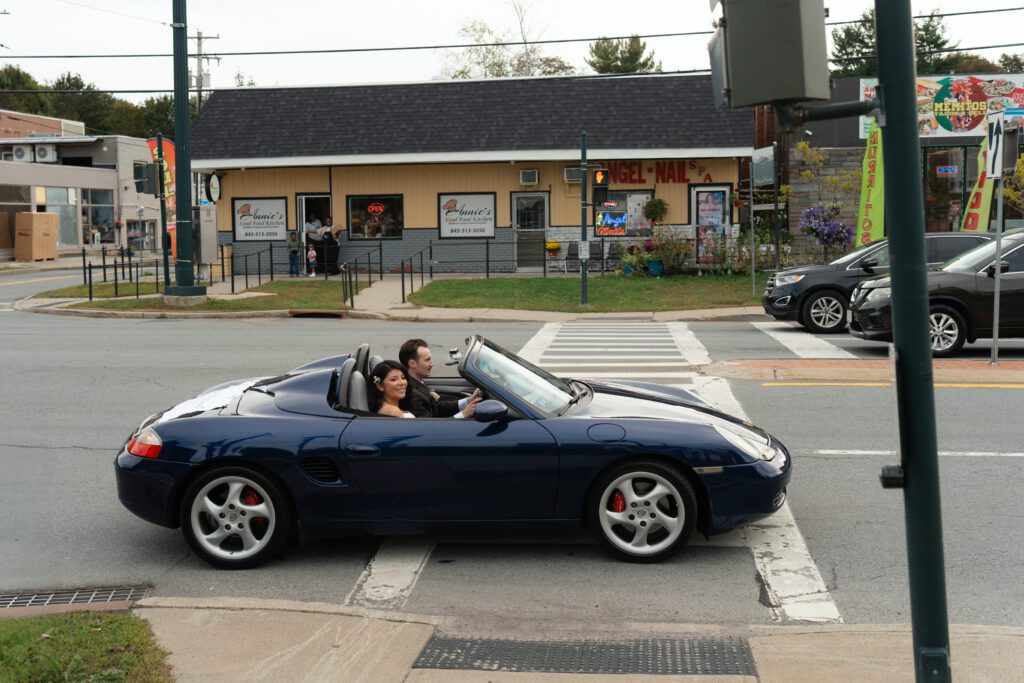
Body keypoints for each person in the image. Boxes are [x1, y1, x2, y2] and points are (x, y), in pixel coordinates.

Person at [399, 338, 480, 418]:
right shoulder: (412, 395)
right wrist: (464, 414)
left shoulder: (418, 382)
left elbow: (436, 408)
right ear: (412, 364)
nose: (432, 364)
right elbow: (430, 428)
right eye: (427, 360)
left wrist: (468, 401)